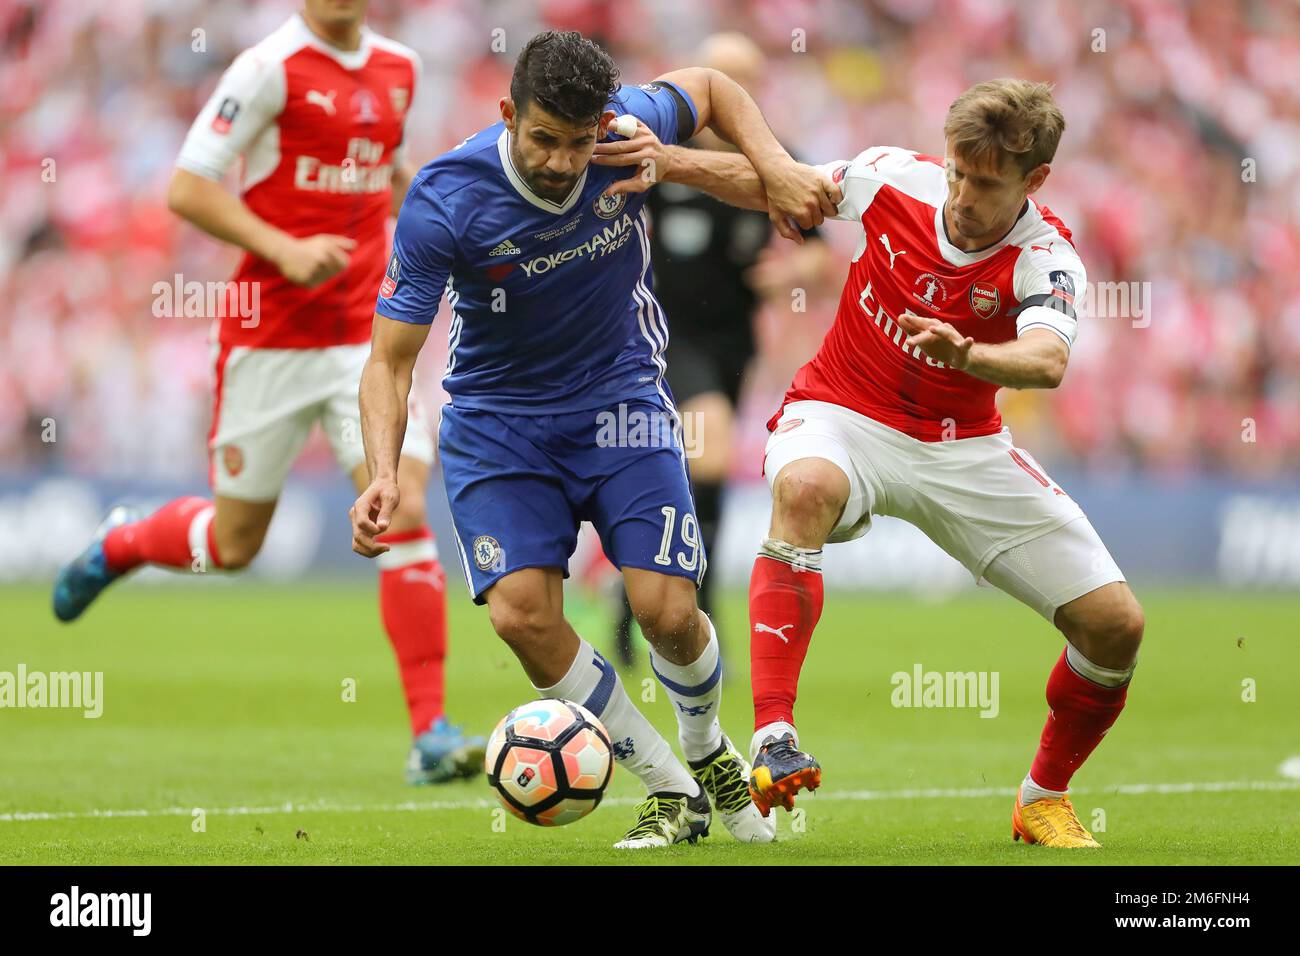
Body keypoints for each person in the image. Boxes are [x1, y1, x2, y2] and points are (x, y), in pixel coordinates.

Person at [597, 77, 1146, 848]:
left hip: (963, 446)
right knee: (804, 485)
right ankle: (774, 735)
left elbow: (1048, 360)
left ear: (1035, 181)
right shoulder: (897, 177)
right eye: (958, 170)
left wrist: (971, 354)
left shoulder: (1046, 255)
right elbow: (780, 185)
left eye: (984, 183)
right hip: (842, 411)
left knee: (1115, 626)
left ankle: (1042, 796)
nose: (960, 194)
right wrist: (673, 163)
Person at [350, 30, 836, 848]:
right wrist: (384, 472)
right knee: (520, 616)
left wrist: (778, 165)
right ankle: (671, 788)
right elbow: (389, 360)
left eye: (579, 143)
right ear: (508, 113)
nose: (562, 161)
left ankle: (706, 747)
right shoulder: (445, 199)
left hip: (622, 401)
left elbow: (713, 87)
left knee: (668, 611)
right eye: (544, 138)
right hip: (498, 422)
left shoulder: (624, 132)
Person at [52, 0, 484, 786]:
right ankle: (122, 543)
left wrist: (450, 220)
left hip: (366, 334)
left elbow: (382, 173)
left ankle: (430, 734)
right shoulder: (266, 70)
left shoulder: (401, 69)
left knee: (408, 506)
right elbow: (188, 187)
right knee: (234, 544)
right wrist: (283, 247)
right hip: (270, 339)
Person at [602, 32, 827, 666]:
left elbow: (818, 245)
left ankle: (642, 601)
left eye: (743, 83)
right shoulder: (654, 154)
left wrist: (788, 275)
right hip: (659, 333)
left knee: (686, 466)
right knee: (706, 453)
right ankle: (699, 609)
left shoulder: (777, 162)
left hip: (731, 338)